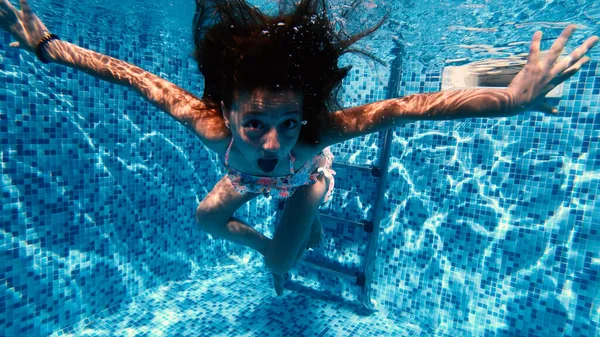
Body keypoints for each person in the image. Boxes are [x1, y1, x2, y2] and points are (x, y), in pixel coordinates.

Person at [1, 0, 597, 296]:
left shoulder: (312, 139)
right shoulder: (209, 125)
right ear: (228, 112)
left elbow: (404, 107)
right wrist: (49, 45)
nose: (272, 139)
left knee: (282, 263)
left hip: (305, 179)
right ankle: (281, 237)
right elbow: (133, 76)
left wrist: (507, 101)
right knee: (207, 219)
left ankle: (298, 228)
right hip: (249, 185)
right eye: (255, 122)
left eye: (287, 123)